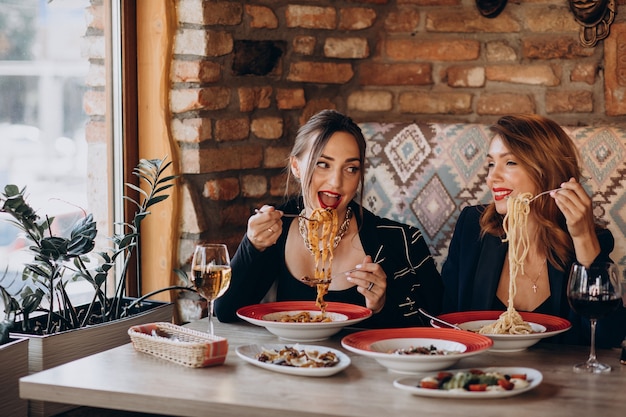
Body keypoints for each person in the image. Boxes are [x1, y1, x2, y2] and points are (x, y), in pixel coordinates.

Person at [215, 109, 443, 328]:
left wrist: (382, 306)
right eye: (322, 164)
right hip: (291, 363)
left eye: (351, 168)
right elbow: (225, 312)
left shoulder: (403, 242)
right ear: (296, 166)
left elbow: (442, 327)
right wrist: (252, 246)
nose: (336, 182)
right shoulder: (276, 231)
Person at [441, 114, 626, 348]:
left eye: (509, 163)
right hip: (486, 376)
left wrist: (583, 237)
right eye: (490, 164)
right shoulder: (472, 226)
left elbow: (606, 336)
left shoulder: (589, 239)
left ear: (547, 171)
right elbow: (445, 320)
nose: (491, 178)